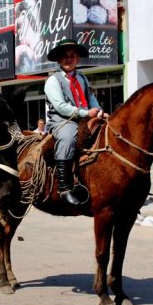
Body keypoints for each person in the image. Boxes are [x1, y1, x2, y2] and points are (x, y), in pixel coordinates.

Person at [44, 39, 107, 206]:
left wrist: (100, 112)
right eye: (65, 56)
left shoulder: (82, 78)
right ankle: (64, 188)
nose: (69, 59)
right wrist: (86, 113)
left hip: (86, 116)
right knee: (68, 137)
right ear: (59, 60)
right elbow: (60, 106)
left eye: (72, 55)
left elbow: (91, 99)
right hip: (63, 120)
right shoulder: (53, 80)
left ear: (78, 59)